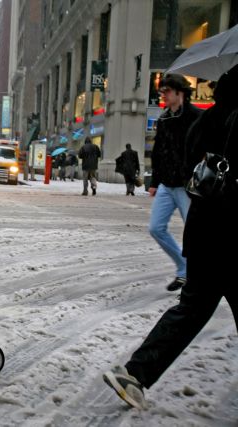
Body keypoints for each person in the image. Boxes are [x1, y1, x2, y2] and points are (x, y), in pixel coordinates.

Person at [102, 65, 238, 411]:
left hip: (205, 232)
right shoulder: (192, 121)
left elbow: (190, 159)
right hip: (232, 235)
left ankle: (135, 374)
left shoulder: (205, 120)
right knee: (190, 304)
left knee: (190, 309)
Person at [147, 73, 201, 292]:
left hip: (189, 186)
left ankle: (196, 279)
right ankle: (183, 268)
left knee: (195, 234)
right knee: (156, 228)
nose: (163, 96)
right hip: (167, 185)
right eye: (162, 92)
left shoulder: (197, 117)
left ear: (180, 93)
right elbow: (158, 151)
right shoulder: (164, 119)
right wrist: (154, 180)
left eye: (167, 91)